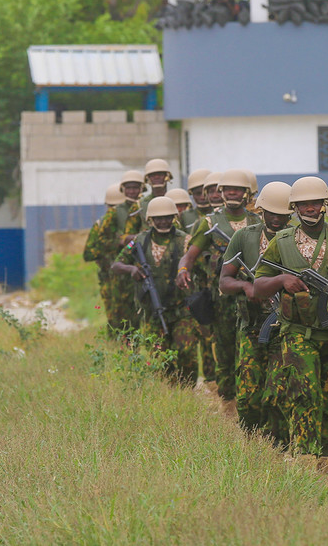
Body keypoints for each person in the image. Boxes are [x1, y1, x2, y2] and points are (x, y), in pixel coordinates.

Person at [252, 176, 328, 469]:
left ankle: (325, 454)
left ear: (325, 205)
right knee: (303, 392)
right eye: (303, 204)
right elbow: (258, 285)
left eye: (315, 203)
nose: (310, 209)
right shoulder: (281, 243)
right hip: (298, 332)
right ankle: (306, 456)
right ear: (294, 208)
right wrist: (282, 280)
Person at [176, 170, 261, 400]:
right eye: (228, 189)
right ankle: (228, 403)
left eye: (238, 189)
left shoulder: (258, 221)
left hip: (256, 298)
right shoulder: (209, 223)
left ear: (247, 193)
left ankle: (252, 402)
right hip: (223, 299)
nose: (233, 192)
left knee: (254, 352)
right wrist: (184, 269)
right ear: (221, 192)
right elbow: (190, 255)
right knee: (224, 353)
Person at [218, 181, 292, 434]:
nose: (275, 219)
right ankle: (251, 441)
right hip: (251, 327)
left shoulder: (295, 240)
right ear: (261, 211)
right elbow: (224, 281)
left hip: (285, 327)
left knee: (277, 393)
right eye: (270, 213)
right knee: (248, 394)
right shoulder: (244, 237)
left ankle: (279, 447)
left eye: (282, 215)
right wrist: (246, 288)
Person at [111, 197, 201, 384]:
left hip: (181, 308)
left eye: (167, 217)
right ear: (150, 219)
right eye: (158, 218)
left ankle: (188, 390)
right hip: (152, 310)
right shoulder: (138, 240)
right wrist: (132, 269)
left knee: (186, 351)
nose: (163, 221)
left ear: (174, 217)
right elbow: (116, 264)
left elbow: (199, 263)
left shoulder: (185, 240)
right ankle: (169, 394)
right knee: (159, 356)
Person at [84, 183, 126, 327]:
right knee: (113, 318)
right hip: (108, 279)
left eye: (118, 207)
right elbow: (88, 253)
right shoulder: (100, 225)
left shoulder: (131, 224)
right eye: (111, 207)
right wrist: (111, 245)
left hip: (130, 279)